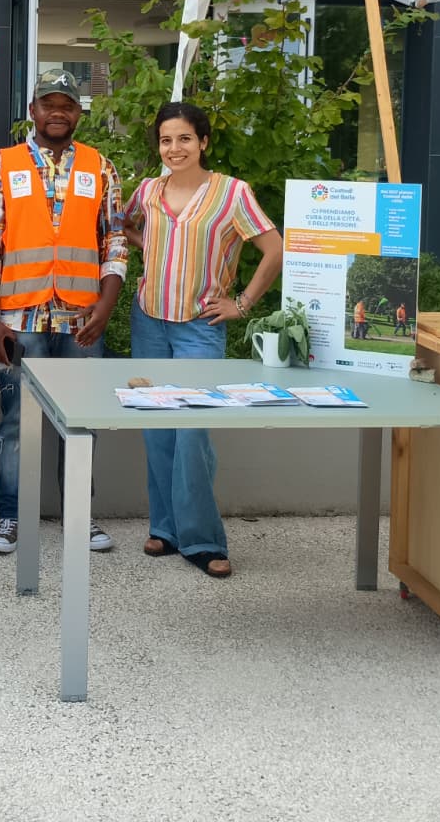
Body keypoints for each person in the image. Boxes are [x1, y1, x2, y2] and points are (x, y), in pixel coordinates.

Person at [123, 102, 284, 579]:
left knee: (192, 430)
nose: (175, 148)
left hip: (200, 327)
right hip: (149, 320)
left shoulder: (232, 194)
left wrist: (243, 302)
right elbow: (127, 225)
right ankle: (166, 528)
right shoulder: (148, 190)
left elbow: (273, 248)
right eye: (166, 140)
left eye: (185, 139)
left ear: (204, 143)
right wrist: (148, 247)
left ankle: (203, 539)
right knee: (156, 426)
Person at [0, 69, 125, 555]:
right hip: (21, 318)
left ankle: (80, 516)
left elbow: (115, 240)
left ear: (79, 113)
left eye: (67, 105)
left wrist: (106, 304)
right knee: (17, 421)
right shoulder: (4, 165)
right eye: (48, 104)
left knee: (80, 419)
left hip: (82, 320)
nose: (57, 112)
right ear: (33, 112)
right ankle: (10, 516)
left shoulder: (101, 168)